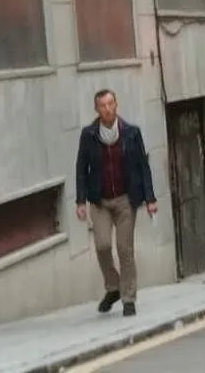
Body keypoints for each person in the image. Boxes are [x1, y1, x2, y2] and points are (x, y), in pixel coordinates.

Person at [75, 89, 158, 316]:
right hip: (99, 201)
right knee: (102, 246)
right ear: (97, 109)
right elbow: (81, 168)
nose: (108, 108)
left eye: (111, 103)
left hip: (125, 200)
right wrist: (80, 201)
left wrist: (150, 199)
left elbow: (143, 166)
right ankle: (113, 287)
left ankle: (128, 298)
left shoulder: (131, 133)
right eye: (103, 105)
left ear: (116, 105)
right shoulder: (89, 134)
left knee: (125, 249)